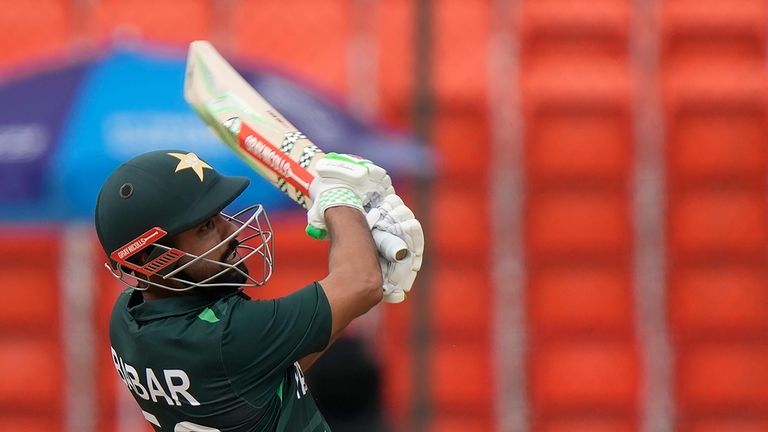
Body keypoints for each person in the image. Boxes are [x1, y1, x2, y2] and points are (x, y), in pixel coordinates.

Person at [94, 150, 422, 432]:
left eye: (218, 216)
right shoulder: (225, 337)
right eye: (206, 227)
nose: (232, 231)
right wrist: (340, 199)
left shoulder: (126, 319)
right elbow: (359, 284)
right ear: (153, 260)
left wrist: (352, 291)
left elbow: (264, 369)